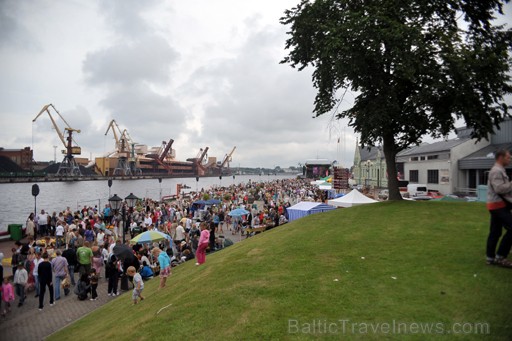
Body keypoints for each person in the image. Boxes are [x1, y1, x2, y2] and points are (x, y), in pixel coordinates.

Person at [486, 149, 512, 267]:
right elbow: (499, 189)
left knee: (495, 232)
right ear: (501, 158)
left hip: (497, 205)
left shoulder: (499, 170)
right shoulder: (496, 171)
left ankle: (490, 258)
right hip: (498, 205)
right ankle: (501, 256)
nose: (510, 159)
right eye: (508, 157)